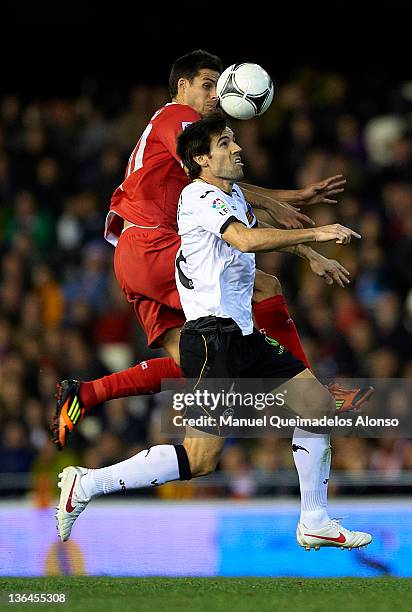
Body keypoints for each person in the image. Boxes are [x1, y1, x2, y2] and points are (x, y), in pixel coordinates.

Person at [56, 113, 372, 551]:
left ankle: (314, 518)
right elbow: (243, 239)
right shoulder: (196, 196)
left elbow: (256, 230)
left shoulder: (233, 195)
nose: (237, 148)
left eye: (234, 141)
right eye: (225, 143)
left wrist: (308, 254)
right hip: (210, 340)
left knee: (318, 407)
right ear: (202, 159)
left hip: (241, 335)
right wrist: (318, 232)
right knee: (201, 460)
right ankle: (87, 484)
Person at [51, 50, 370, 448]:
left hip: (137, 254)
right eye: (207, 85)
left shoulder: (183, 145)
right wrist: (283, 200)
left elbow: (225, 197)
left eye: (218, 87)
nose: (215, 95)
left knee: (196, 364)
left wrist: (301, 238)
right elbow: (222, 191)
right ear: (181, 87)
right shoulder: (178, 118)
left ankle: (87, 393)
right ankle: (308, 394)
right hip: (154, 243)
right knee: (265, 286)